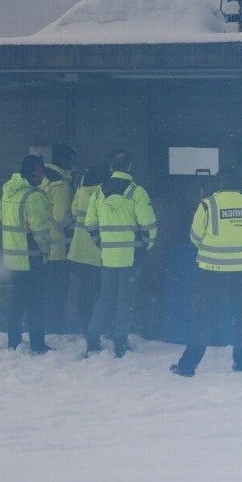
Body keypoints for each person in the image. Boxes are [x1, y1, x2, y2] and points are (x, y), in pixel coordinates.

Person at [170, 176, 242, 377]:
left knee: (202, 319)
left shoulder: (207, 205)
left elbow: (195, 236)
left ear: (219, 185)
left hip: (211, 272)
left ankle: (188, 365)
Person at [83, 151, 158, 358]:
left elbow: (89, 223)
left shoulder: (98, 192)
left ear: (111, 169)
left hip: (108, 256)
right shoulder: (137, 192)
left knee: (105, 298)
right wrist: (146, 245)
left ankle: (92, 337)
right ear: (131, 168)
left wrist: (101, 243)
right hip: (131, 256)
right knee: (125, 300)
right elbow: (149, 226)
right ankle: (120, 342)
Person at [0, 153, 54, 354]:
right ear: (35, 172)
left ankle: (13, 341)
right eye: (42, 170)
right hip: (32, 259)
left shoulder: (7, 193)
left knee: (16, 302)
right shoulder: (35, 197)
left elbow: (2, 219)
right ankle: (38, 343)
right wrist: (47, 252)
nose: (43, 176)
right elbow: (41, 232)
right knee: (36, 303)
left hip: (12, 259)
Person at [65, 163, 107, 332]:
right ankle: (95, 328)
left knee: (85, 294)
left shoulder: (81, 191)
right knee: (100, 295)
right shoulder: (102, 195)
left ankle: (83, 325)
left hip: (78, 252)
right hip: (96, 253)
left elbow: (74, 213)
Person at [41, 144, 77, 330]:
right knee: (57, 294)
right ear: (65, 160)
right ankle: (55, 330)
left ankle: (44, 327)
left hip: (40, 247)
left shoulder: (42, 179)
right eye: (71, 159)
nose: (73, 164)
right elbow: (62, 217)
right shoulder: (60, 184)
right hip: (57, 251)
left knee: (43, 293)